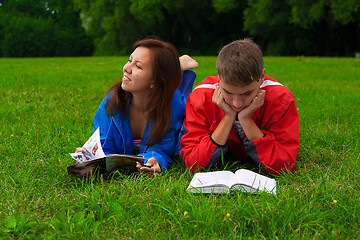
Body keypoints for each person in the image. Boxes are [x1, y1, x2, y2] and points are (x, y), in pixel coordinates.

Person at [77, 37, 198, 173]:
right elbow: (103, 146)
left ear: (155, 81)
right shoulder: (111, 103)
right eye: (129, 60)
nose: (126, 68)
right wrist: (90, 156)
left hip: (169, 95)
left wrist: (156, 160)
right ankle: (177, 65)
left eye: (138, 66)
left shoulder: (173, 107)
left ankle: (179, 69)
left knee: (187, 97)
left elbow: (164, 149)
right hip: (159, 86)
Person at [180, 38, 299, 175]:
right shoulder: (200, 98)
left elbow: (284, 165)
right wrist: (228, 117)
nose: (237, 103)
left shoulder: (281, 100)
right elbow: (192, 163)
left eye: (247, 93)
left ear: (261, 77)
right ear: (219, 78)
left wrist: (247, 120)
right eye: (228, 92)